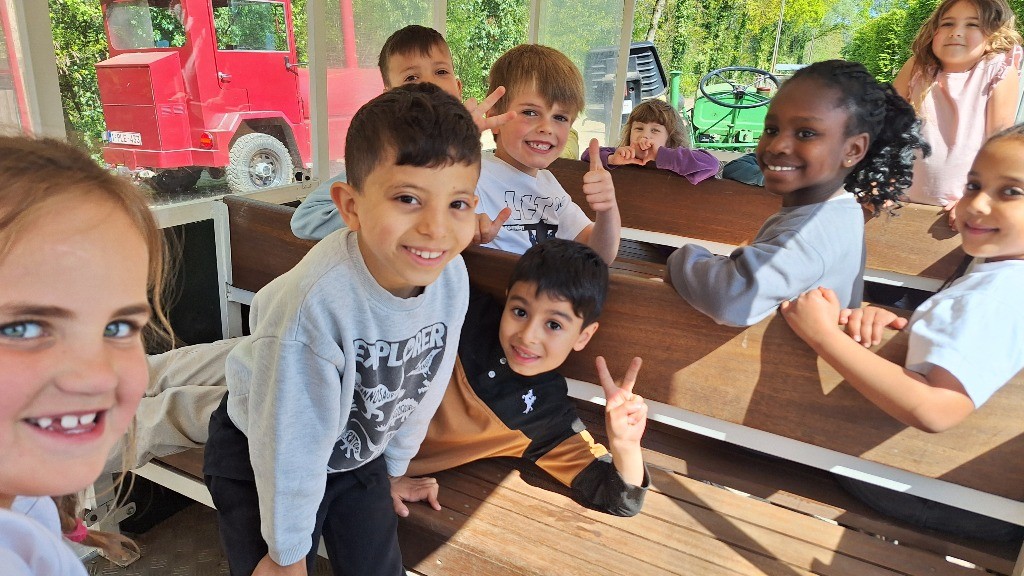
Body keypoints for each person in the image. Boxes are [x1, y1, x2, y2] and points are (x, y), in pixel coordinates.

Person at [203, 83, 481, 576]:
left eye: (457, 203)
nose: (437, 229)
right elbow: (289, 442)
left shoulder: (450, 277)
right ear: (350, 206)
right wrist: (287, 553)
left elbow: (422, 383)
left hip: (353, 452)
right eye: (408, 198)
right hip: (264, 453)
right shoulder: (315, 306)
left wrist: (393, 470)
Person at [780, 123, 1024, 540]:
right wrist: (902, 326)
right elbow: (974, 343)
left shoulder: (998, 294)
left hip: (936, 490)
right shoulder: (1002, 275)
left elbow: (937, 409)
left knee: (778, 426)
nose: (978, 204)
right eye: (973, 185)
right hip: (963, 493)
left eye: (1011, 191)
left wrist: (822, 336)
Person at [0, 136, 169, 574]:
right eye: (22, 328)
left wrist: (83, 534)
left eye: (118, 328)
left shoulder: (24, 488)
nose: (97, 376)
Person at [665, 60, 929, 327]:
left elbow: (729, 299)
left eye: (806, 133)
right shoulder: (837, 210)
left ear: (853, 150)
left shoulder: (812, 231)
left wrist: (681, 257)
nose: (777, 145)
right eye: (771, 130)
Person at [408, 239, 649, 516]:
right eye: (520, 312)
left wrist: (625, 445)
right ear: (507, 299)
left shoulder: (544, 416)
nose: (528, 335)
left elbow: (618, 499)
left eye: (554, 324)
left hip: (380, 478)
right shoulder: (464, 308)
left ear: (583, 336)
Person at [290, 25, 514, 241]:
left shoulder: (477, 162)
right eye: (411, 78)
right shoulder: (385, 157)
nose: (429, 83)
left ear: (458, 88)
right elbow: (305, 219)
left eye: (441, 71)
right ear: (389, 96)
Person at [478, 44, 621, 264]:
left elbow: (599, 255)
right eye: (530, 112)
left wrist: (608, 209)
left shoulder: (550, 187)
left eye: (560, 117)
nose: (547, 128)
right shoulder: (473, 172)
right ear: (495, 118)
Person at [892, 0, 1021, 217]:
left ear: (993, 36)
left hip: (958, 210)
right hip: (899, 200)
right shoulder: (917, 67)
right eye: (947, 23)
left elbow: (999, 145)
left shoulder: (997, 69)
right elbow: (887, 128)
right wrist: (878, 181)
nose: (956, 32)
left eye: (972, 24)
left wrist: (982, 194)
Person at [581, 99, 719, 184]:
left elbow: (712, 165)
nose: (644, 136)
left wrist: (660, 155)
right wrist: (611, 159)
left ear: (671, 137)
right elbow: (587, 155)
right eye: (639, 128)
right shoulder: (624, 155)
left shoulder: (677, 161)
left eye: (655, 130)